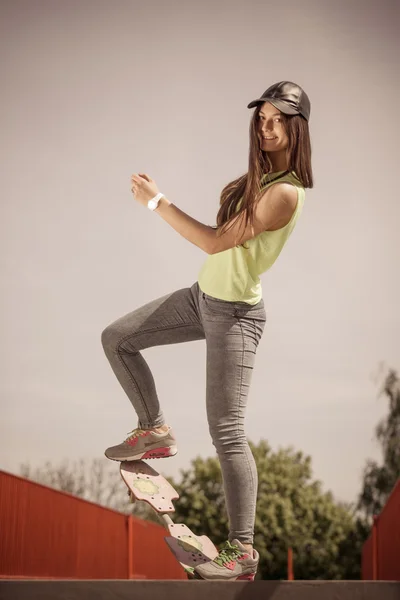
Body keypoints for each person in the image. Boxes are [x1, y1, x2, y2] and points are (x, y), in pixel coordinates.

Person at [101, 81, 313, 581]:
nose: (267, 128)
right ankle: (153, 427)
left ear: (296, 127)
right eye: (261, 118)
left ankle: (242, 551)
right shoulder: (259, 179)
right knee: (118, 337)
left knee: (227, 432)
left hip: (235, 315)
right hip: (202, 298)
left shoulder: (285, 192)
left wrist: (157, 203)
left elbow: (217, 243)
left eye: (278, 120)